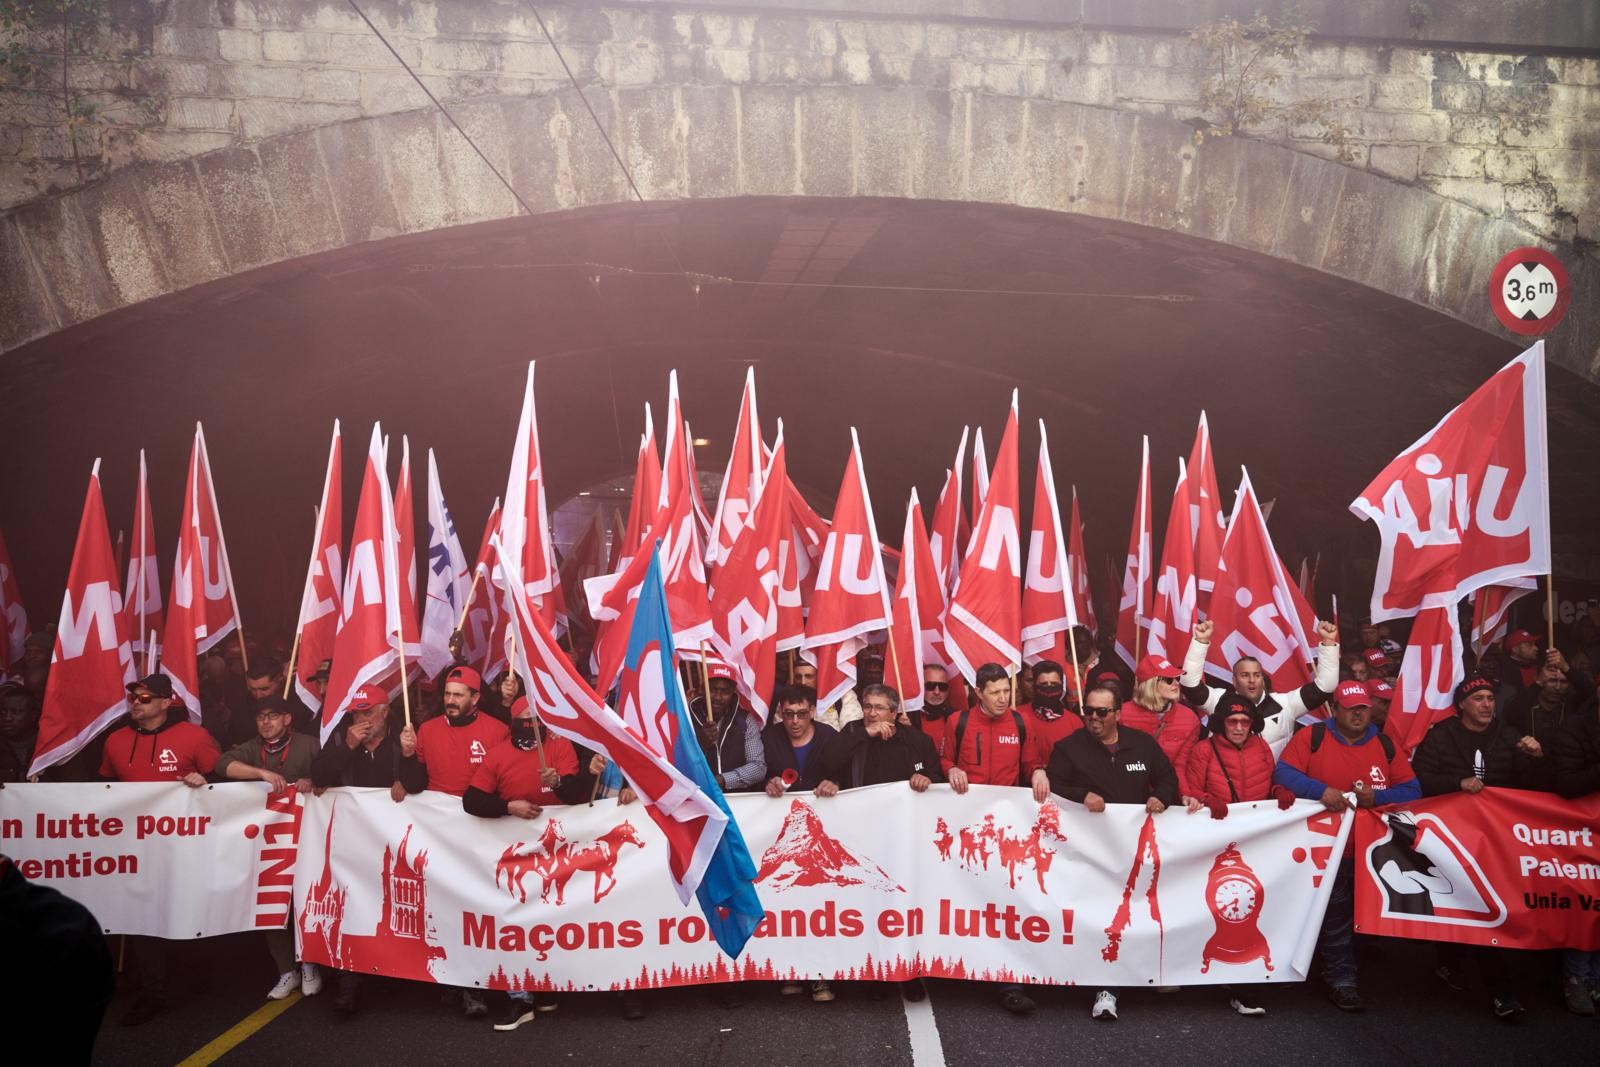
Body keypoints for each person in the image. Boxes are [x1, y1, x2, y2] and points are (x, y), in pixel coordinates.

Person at [1273, 679, 1420, 1013]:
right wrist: (1319, 790)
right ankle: (1343, 981)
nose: (1358, 715)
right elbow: (1283, 774)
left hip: (1374, 855)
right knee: (1336, 916)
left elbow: (1412, 790)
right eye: (1351, 708)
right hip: (1325, 851)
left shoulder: (1384, 745)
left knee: (1359, 917)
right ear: (1335, 709)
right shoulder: (1313, 737)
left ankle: (1344, 968)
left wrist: (1378, 797)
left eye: (1363, 709)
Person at [1045, 684, 1180, 1021]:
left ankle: (1148, 971)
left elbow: (1168, 778)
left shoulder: (1143, 745)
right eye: (1088, 710)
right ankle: (1106, 988)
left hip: (1135, 851)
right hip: (1087, 852)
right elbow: (1053, 785)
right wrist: (1081, 795)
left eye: (1102, 712)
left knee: (1140, 914)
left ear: (1118, 714)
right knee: (1104, 920)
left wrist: (1161, 797)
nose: (1093, 717)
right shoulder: (1068, 748)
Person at [1411, 675, 1538, 1019]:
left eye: (1490, 698)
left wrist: (1535, 757)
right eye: (1479, 698)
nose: (1487, 704)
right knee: (1476, 905)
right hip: (1454, 839)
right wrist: (1456, 784)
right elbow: (1418, 779)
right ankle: (1501, 992)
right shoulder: (1441, 736)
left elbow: (1530, 786)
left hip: (1497, 841)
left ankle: (1450, 963)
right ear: (1462, 705)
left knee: (1478, 904)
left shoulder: (1508, 736)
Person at [100, 674, 220, 1025]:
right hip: (135, 847)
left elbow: (225, 779)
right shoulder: (115, 741)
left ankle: (197, 970)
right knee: (141, 915)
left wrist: (207, 781)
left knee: (186, 909)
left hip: (186, 845)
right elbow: (102, 790)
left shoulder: (194, 737)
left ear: (167, 702)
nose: (136, 703)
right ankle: (153, 992)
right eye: (133, 697)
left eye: (146, 698)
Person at [463, 694, 585, 1030]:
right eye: (524, 720)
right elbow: (472, 800)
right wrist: (508, 806)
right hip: (514, 856)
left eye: (537, 720)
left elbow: (579, 793)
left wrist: (559, 782)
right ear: (513, 723)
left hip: (555, 854)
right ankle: (520, 998)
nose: (531, 727)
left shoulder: (559, 748)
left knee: (552, 920)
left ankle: (545, 990)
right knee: (514, 922)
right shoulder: (499, 754)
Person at [817, 683, 942, 1005]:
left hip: (905, 840)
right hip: (862, 838)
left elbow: (936, 776)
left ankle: (912, 973)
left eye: (879, 708)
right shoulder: (853, 734)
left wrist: (926, 779)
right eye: (867, 706)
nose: (872, 713)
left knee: (908, 907)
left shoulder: (918, 742)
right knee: (871, 909)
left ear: (895, 712)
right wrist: (864, 735)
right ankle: (878, 975)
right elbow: (827, 763)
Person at [309, 685, 426, 1014]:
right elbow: (319, 774)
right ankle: (349, 982)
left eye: (367, 712)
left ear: (384, 711)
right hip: (353, 843)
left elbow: (421, 784)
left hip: (395, 843)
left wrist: (406, 767)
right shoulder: (340, 740)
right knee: (352, 907)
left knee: (399, 905)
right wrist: (348, 745)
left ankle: (402, 972)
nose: (361, 719)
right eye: (356, 713)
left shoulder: (400, 739)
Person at [401, 664, 508, 1018]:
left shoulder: (497, 731)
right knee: (443, 906)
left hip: (481, 833)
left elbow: (505, 781)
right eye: (447, 694)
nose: (450, 700)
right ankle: (456, 981)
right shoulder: (427, 731)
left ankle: (479, 980)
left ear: (475, 698)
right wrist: (406, 756)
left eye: (458, 695)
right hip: (440, 835)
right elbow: (415, 784)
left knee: (478, 909)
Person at [215, 696, 322, 1001]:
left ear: (287, 718)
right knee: (271, 903)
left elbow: (331, 774)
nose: (266, 722)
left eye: (273, 716)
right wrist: (260, 773)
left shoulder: (309, 744)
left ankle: (309, 963)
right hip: (267, 842)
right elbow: (222, 765)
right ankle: (286, 970)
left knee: (305, 898)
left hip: (306, 837)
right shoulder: (251, 748)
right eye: (261, 716)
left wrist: (312, 780)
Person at [1182, 619, 1339, 753]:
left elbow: (1326, 686)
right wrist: (1200, 642)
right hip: (1231, 785)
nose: (1252, 680)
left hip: (1275, 786)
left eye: (1257, 675)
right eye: (1245, 675)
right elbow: (1190, 686)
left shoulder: (1285, 704)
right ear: (1234, 681)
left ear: (1263, 680)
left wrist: (1329, 643)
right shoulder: (1219, 701)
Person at [1553, 686, 1600, 1014]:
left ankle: (1596, 980)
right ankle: (1576, 979)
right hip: (1582, 832)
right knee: (1588, 906)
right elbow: (1567, 783)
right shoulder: (1573, 729)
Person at [1503, 649, 1594, 792]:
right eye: (1552, 680)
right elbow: (1510, 713)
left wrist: (1567, 669)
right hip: (1528, 778)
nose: (1557, 687)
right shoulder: (1526, 702)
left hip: (1564, 776)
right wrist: (1538, 682)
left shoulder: (1573, 705)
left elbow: (1591, 694)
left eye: (1563, 682)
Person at [1119, 654, 1203, 800]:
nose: (1176, 683)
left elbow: (1179, 766)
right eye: (1169, 680)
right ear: (1151, 683)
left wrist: (1185, 795)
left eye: (1177, 679)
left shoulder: (1189, 719)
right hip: (1126, 797)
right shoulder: (1121, 714)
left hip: (1165, 797)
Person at [686, 660, 765, 793]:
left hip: (738, 803)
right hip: (698, 799)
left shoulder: (745, 720)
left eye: (725, 691)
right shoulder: (686, 718)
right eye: (712, 690)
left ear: (734, 693)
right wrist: (701, 744)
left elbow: (758, 767)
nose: (718, 697)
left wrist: (723, 780)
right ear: (702, 689)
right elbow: (676, 764)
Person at [761, 685, 841, 797]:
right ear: (780, 712)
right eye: (789, 714)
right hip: (781, 810)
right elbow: (757, 777)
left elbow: (845, 774)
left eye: (802, 714)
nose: (795, 721)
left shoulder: (829, 737)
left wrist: (835, 784)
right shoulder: (767, 739)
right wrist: (768, 783)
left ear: (812, 711)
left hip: (821, 810)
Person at [1018, 659, 1083, 783]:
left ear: (1061, 685)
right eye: (1043, 684)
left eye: (1054, 684)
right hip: (1026, 790)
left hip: (1064, 791)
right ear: (1034, 686)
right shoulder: (1018, 716)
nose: (1049, 688)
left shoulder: (1075, 722)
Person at [0, 680, 39, 782]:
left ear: (33, 715)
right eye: (3, 712)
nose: (7, 718)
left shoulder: (50, 748)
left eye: (15, 712)